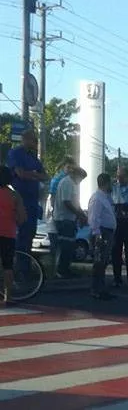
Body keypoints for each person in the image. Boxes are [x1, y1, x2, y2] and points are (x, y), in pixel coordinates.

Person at [6, 130, 48, 268]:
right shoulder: (15, 153)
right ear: (25, 139)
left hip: (32, 200)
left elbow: (44, 176)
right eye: (33, 140)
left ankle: (26, 267)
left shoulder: (33, 156)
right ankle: (16, 267)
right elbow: (20, 174)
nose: (35, 143)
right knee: (20, 234)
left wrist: (31, 174)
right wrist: (34, 174)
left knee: (30, 233)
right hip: (19, 197)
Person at [53, 166, 87, 278]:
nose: (81, 181)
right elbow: (66, 202)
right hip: (63, 218)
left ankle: (66, 268)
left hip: (71, 219)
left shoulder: (75, 185)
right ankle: (61, 270)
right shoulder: (67, 182)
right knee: (65, 245)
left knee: (70, 245)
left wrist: (82, 215)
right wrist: (78, 214)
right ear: (75, 175)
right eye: (81, 178)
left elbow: (76, 203)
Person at [0, 166, 27, 306]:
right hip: (8, 233)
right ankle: (7, 296)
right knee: (8, 266)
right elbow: (22, 218)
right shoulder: (15, 195)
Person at [87, 173, 116, 300]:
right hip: (101, 232)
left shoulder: (105, 197)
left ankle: (102, 288)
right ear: (105, 183)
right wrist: (97, 234)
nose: (112, 185)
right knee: (99, 262)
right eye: (110, 183)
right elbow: (94, 218)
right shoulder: (97, 198)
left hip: (108, 231)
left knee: (103, 262)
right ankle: (96, 289)